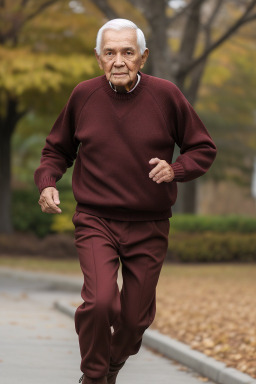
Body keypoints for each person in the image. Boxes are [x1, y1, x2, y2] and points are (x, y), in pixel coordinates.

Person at [34, 18, 217, 384]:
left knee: (134, 320)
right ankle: (95, 377)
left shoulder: (166, 96)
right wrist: (47, 182)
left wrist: (175, 169)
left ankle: (111, 367)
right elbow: (56, 149)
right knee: (101, 303)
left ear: (143, 57)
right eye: (110, 52)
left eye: (127, 52)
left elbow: (202, 147)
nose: (119, 61)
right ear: (99, 58)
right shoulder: (83, 96)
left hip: (149, 223)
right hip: (95, 219)